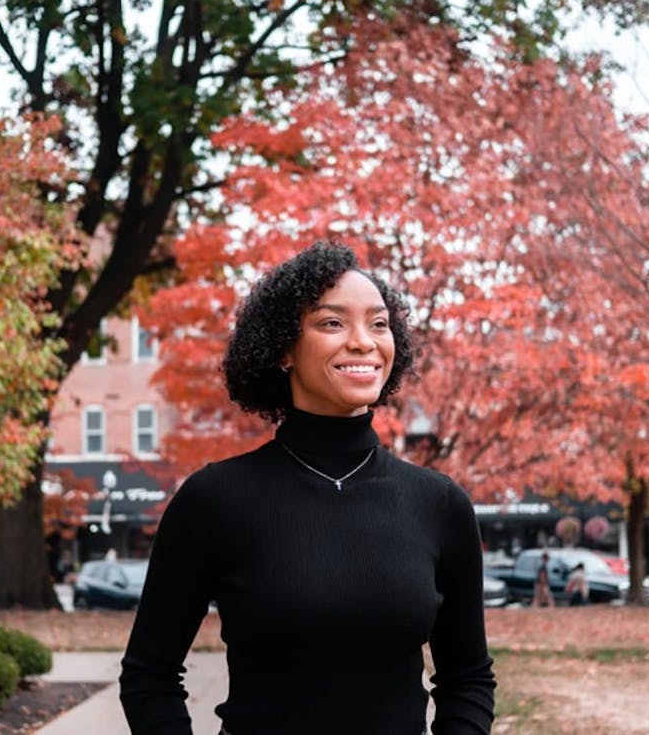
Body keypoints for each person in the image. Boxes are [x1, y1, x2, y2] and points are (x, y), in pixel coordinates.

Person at [119, 242, 495, 734]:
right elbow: (150, 674)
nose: (363, 342)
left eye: (379, 324)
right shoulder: (214, 500)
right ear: (283, 350)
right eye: (332, 323)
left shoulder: (439, 504)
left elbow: (467, 677)